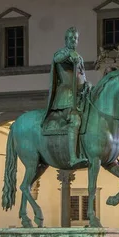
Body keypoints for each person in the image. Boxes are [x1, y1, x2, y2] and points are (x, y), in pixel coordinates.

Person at [44, 26, 92, 167]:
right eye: (70, 38)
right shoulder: (62, 54)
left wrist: (87, 83)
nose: (73, 40)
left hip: (80, 96)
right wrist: (69, 54)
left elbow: (82, 76)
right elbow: (57, 58)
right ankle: (72, 158)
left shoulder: (79, 57)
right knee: (75, 121)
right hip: (65, 98)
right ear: (66, 40)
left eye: (75, 38)